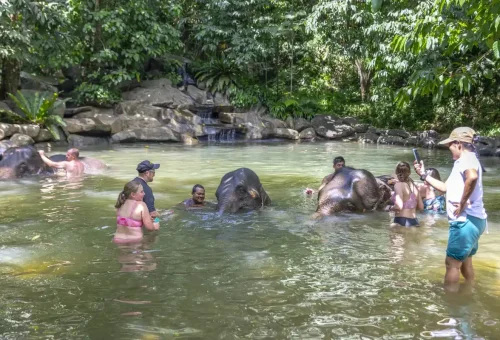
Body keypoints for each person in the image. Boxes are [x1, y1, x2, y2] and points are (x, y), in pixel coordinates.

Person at [414, 127, 487, 292]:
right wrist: (423, 175)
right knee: (466, 261)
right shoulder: (466, 160)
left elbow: (472, 177)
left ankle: (451, 305)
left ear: (459, 144)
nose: (448, 148)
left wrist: (462, 203)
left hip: (464, 222)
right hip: (475, 221)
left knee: (451, 264)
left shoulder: (466, 160)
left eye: (450, 145)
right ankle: (469, 293)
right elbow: (445, 187)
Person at [387, 161, 424, 227]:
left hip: (401, 221)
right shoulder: (414, 187)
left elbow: (399, 206)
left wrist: (389, 208)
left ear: (396, 173)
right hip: (415, 222)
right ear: (409, 173)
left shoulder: (398, 185)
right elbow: (421, 207)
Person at [134, 160, 160, 227]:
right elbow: (153, 214)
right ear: (147, 173)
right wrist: (159, 217)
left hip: (126, 223)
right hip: (140, 228)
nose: (154, 174)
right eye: (153, 172)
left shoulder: (130, 184)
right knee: (158, 218)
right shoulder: (146, 189)